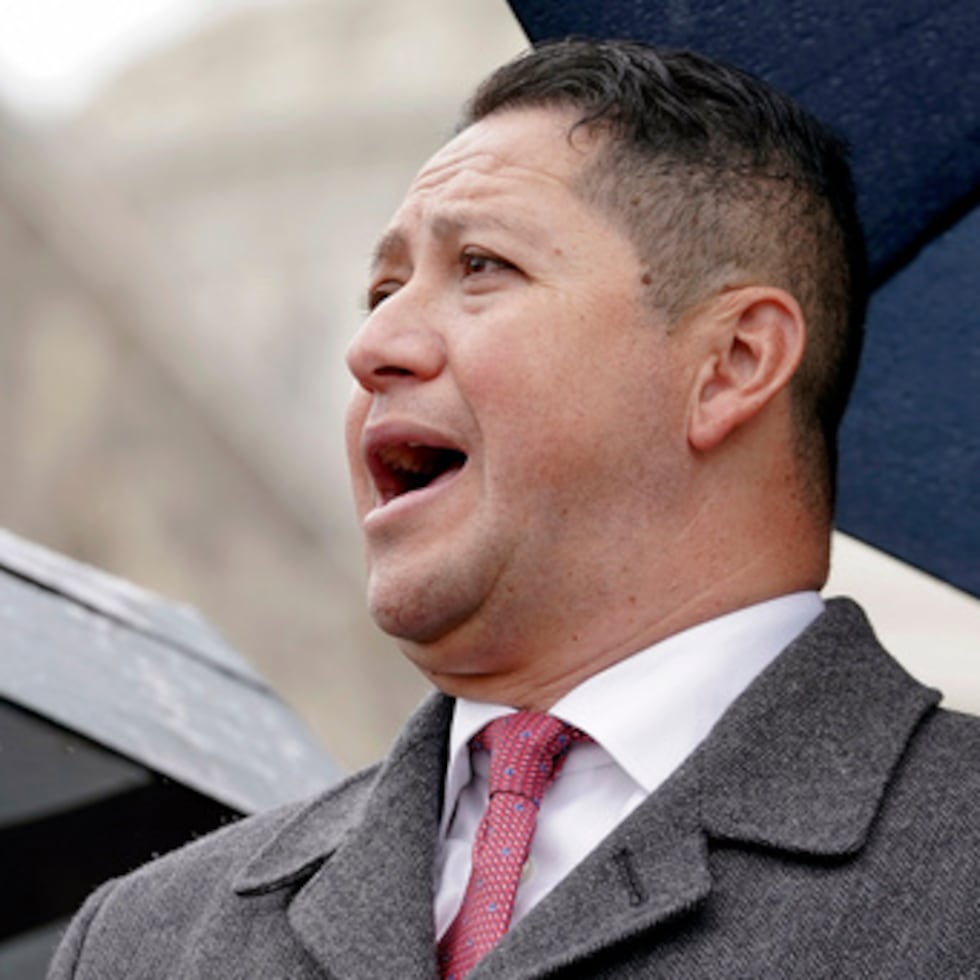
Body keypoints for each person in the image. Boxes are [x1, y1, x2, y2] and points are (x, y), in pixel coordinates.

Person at [48, 38, 979, 980]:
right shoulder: (144, 941)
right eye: (381, 289)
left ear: (733, 361)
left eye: (483, 266)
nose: (373, 345)